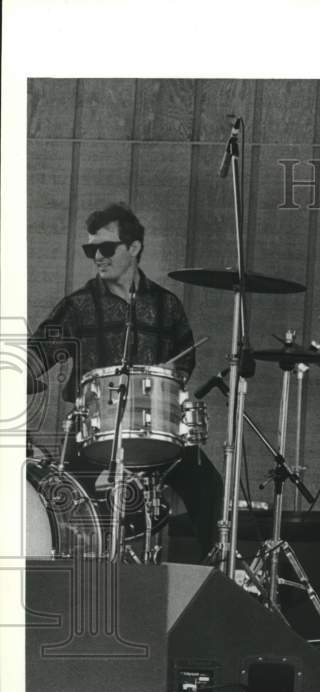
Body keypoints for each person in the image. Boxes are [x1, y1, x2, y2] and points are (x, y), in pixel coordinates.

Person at [27, 202, 223, 562]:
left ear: (134, 248)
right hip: (92, 435)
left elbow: (184, 359)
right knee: (68, 508)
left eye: (106, 248)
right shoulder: (77, 306)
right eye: (91, 250)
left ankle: (214, 574)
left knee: (208, 486)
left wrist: (165, 384)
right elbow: (37, 354)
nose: (97, 257)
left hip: (153, 431)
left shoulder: (167, 306)